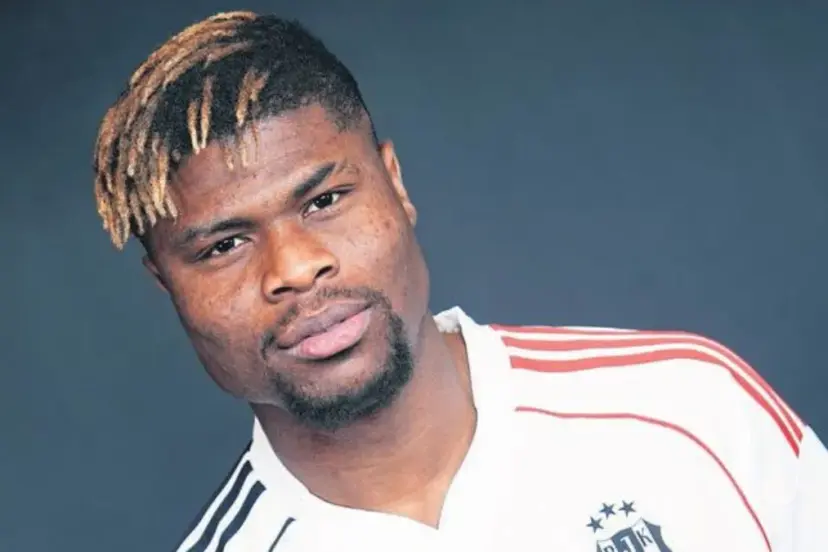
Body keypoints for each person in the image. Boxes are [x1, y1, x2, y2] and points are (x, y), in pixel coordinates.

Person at [91, 10, 826, 552]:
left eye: (324, 201)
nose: (295, 267)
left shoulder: (689, 409)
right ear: (165, 284)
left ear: (396, 185)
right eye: (224, 246)